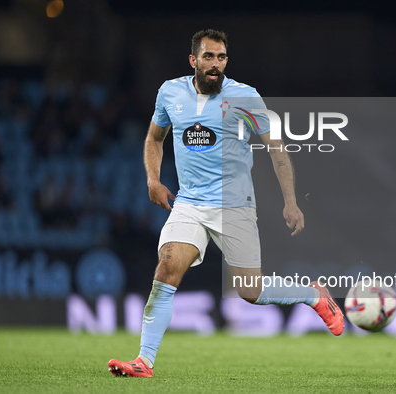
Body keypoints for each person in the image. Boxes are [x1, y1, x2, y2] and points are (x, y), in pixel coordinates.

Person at [108, 29, 343, 378]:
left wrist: (290, 202)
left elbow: (276, 148)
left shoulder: (244, 97)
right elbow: (154, 138)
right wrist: (153, 180)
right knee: (166, 268)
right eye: (208, 57)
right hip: (189, 202)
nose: (215, 64)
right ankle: (144, 361)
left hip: (235, 205)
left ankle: (312, 295)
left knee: (251, 291)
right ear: (193, 60)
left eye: (221, 57)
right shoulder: (170, 92)